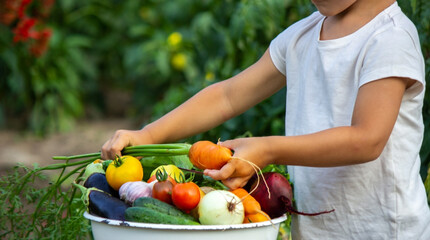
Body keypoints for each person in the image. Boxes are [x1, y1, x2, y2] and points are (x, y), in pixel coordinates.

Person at [101, 0, 430, 238]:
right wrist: (147, 134)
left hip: (383, 229)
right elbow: (228, 96)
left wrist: (268, 149)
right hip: (318, 230)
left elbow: (366, 140)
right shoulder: (301, 37)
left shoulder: (389, 39)